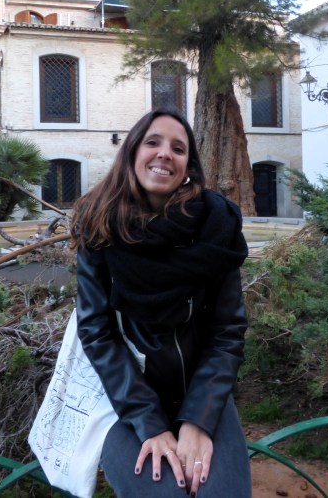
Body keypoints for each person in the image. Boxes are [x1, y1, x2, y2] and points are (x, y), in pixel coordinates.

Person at [70, 109, 251, 497]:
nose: (165, 153)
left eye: (178, 148)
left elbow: (227, 332)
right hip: (122, 397)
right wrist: (148, 422)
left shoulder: (217, 227)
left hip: (202, 392)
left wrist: (199, 420)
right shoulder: (99, 224)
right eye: (153, 142)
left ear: (188, 166)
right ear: (133, 152)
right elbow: (97, 332)